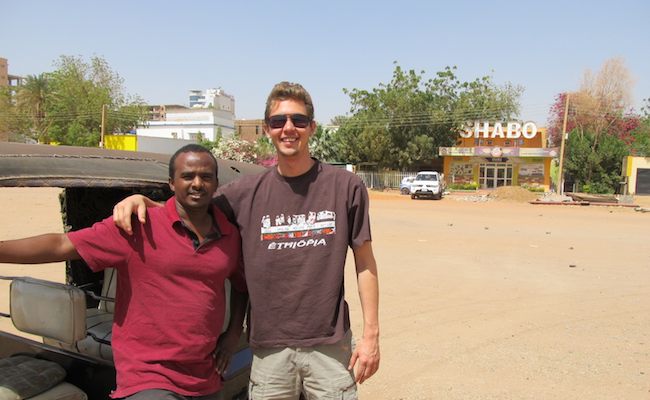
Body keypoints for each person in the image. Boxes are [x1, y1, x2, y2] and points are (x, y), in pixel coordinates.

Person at [113, 82, 380, 399]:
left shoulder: (345, 187)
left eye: (299, 120)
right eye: (279, 121)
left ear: (312, 127)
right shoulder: (243, 194)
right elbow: (191, 207)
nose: (289, 128)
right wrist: (146, 202)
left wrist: (371, 337)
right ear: (268, 129)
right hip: (269, 350)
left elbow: (365, 263)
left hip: (329, 345)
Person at [0, 144, 247, 400]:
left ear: (216, 183)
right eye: (187, 176)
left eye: (206, 177)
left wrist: (232, 334)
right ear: (171, 183)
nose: (197, 183)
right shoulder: (137, 225)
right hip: (148, 374)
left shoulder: (229, 235)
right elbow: (61, 244)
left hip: (204, 374)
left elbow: (241, 284)